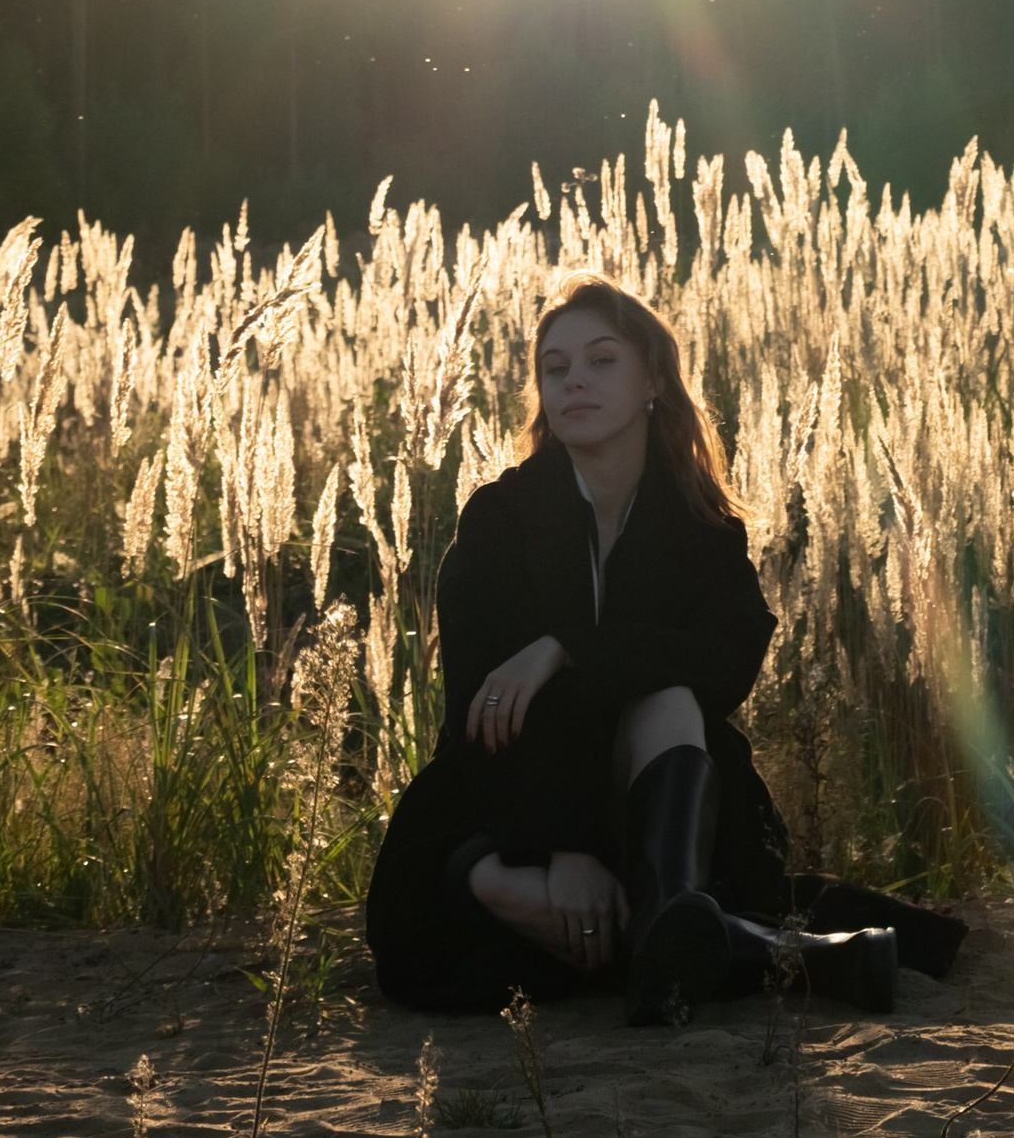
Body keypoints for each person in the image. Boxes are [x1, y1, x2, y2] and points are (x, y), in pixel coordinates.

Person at [366, 275, 966, 1020]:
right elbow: (476, 713)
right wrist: (564, 849)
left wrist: (566, 648)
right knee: (463, 897)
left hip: (662, 804)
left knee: (670, 700)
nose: (575, 379)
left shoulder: (701, 525)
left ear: (653, 378)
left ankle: (666, 916)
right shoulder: (499, 519)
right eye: (556, 368)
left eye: (602, 360)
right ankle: (748, 944)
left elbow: (727, 658)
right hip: (515, 801)